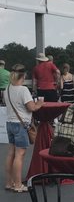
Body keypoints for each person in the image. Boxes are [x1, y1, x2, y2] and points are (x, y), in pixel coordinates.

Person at [4, 64, 43, 193]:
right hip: (21, 125)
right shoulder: (23, 90)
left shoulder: (7, 89)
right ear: (24, 75)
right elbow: (31, 108)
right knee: (20, 155)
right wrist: (39, 104)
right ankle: (18, 184)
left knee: (11, 153)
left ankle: (9, 182)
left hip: (10, 123)